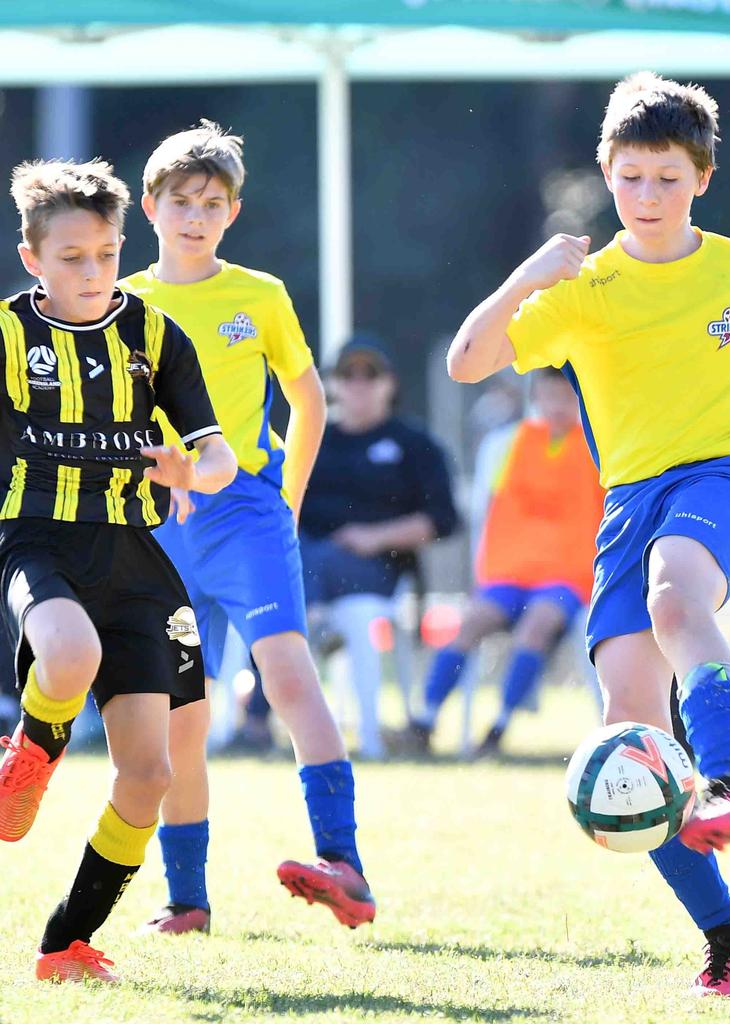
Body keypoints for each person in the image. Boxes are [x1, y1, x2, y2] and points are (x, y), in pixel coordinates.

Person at [446, 71, 730, 997]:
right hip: (628, 504)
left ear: (701, 178)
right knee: (630, 748)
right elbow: (469, 362)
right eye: (631, 177)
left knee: (677, 590)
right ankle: (729, 935)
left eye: (668, 177)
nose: (649, 196)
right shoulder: (585, 289)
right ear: (607, 174)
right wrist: (530, 276)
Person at [121, 121, 375, 935]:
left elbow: (308, 399)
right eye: (182, 202)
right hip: (165, 526)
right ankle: (186, 900)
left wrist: (288, 498)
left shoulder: (259, 295)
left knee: (289, 676)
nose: (196, 216)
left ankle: (344, 862)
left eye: (213, 203)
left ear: (232, 213)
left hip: (250, 514)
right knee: (179, 716)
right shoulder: (123, 304)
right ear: (150, 208)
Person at [0, 159, 237, 982]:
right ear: (32, 258)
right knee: (69, 656)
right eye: (72, 258)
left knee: (150, 771)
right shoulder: (4, 335)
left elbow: (220, 456)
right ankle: (28, 756)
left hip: (138, 562)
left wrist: (187, 469)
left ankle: (66, 943)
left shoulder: (155, 333)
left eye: (105, 254)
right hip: (38, 542)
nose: (93, 273)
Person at [408, 366, 603, 756]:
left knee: (537, 625)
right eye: (551, 396)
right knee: (471, 623)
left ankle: (498, 728)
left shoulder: (598, 447)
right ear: (536, 399)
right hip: (509, 573)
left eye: (568, 398)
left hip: (568, 577)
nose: (559, 406)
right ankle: (424, 720)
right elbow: (484, 510)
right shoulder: (509, 444)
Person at [298, 334, 459, 759]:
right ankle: (308, 625)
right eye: (347, 374)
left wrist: (375, 537)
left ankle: (307, 625)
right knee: (293, 562)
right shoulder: (313, 441)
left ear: (390, 384)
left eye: (370, 374)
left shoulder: (413, 444)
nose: (359, 383)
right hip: (313, 560)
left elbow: (443, 519)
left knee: (305, 573)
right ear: (331, 384)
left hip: (380, 570)